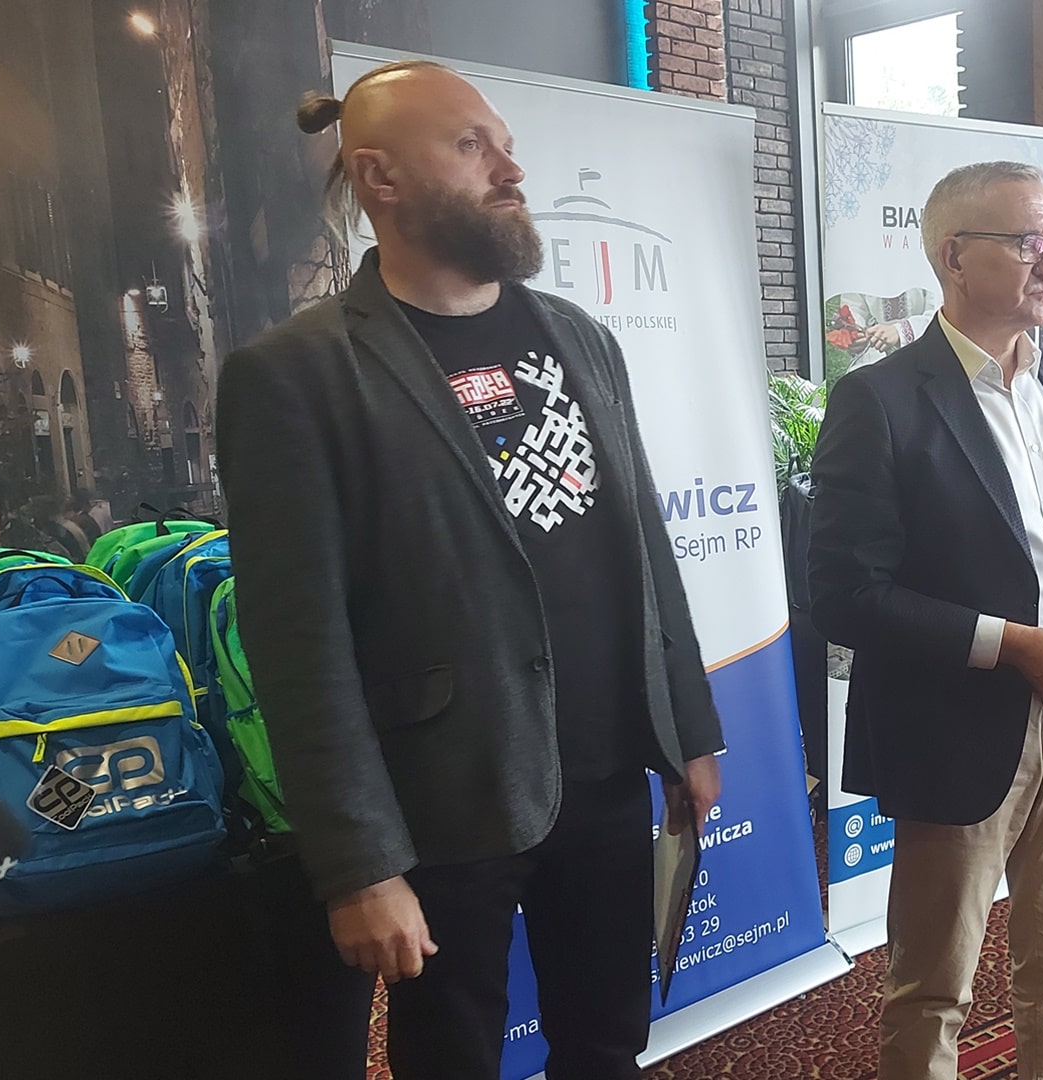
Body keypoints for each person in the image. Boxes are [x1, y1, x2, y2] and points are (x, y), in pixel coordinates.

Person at [215, 59, 723, 1080]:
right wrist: (358, 867)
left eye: (504, 145)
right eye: (470, 146)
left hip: (609, 773)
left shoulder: (579, 337)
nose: (511, 169)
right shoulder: (295, 375)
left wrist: (689, 730)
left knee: (608, 1044)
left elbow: (645, 550)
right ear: (381, 177)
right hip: (443, 803)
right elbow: (298, 648)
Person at [809, 160, 1043, 1080]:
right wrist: (1011, 647)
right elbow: (844, 592)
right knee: (934, 988)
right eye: (1030, 240)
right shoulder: (881, 399)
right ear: (955, 257)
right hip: (954, 727)